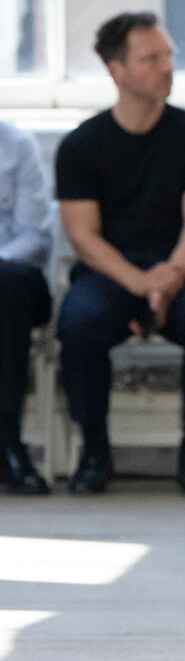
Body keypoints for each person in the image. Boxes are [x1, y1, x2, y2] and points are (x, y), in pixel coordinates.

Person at [55, 13, 185, 496]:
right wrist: (142, 284)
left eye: (168, 55)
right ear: (117, 70)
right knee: (79, 323)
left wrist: (170, 275)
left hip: (183, 265)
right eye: (151, 58)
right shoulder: (81, 145)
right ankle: (94, 449)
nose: (167, 66)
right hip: (112, 271)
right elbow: (83, 237)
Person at [0, 122, 54, 494]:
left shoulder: (16, 144)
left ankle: (8, 439)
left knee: (6, 285)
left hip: (12, 277)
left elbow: (34, 235)